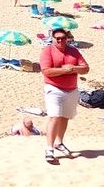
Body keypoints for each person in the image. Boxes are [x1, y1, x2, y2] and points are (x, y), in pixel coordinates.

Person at [40, 28, 89, 163]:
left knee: (65, 117)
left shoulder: (73, 51)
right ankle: (49, 148)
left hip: (71, 89)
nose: (60, 40)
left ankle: (59, 142)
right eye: (57, 38)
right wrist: (63, 70)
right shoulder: (47, 51)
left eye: (63, 37)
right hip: (53, 88)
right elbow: (46, 71)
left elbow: (85, 68)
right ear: (53, 39)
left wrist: (72, 68)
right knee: (54, 117)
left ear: (67, 38)